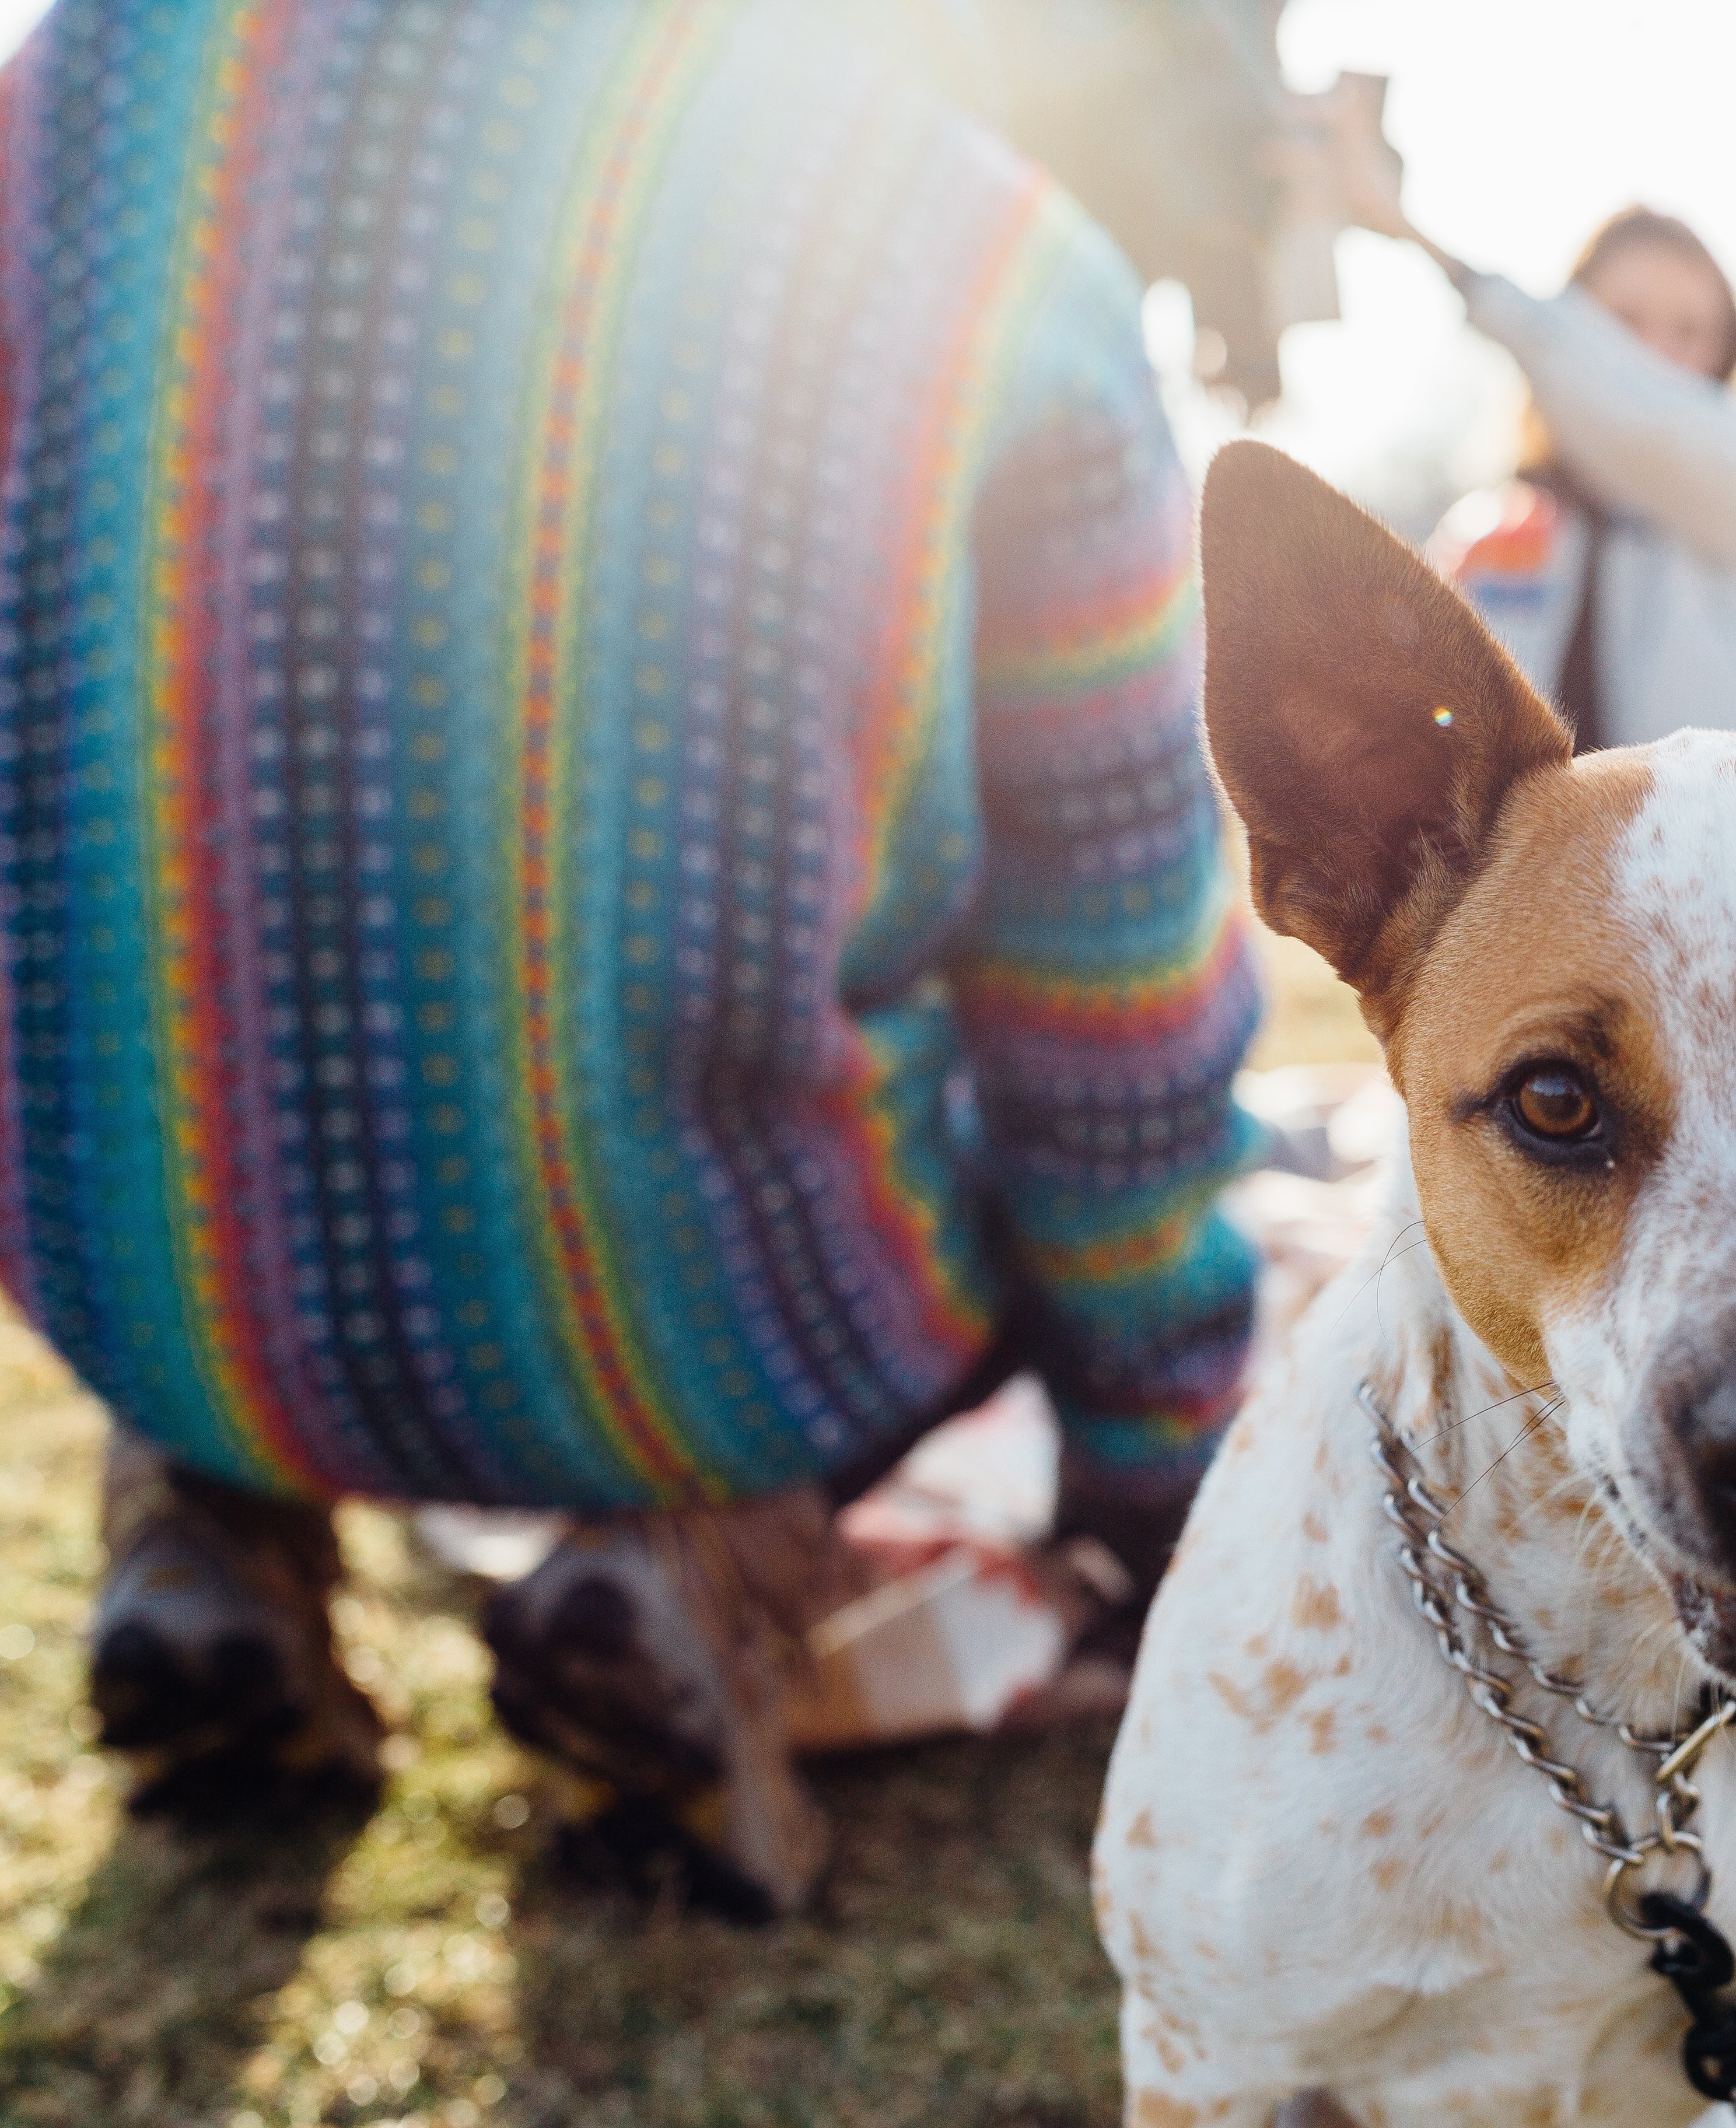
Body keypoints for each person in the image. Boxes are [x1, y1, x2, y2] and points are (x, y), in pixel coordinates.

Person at [1, 0, 1284, 1920]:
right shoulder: (956, 237)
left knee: (222, 978)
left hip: (146, 1268)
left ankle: (205, 1533)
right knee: (936, 1148)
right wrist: (1152, 1436)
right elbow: (1109, 991)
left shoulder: (68, 112)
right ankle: (690, 1557)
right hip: (699, 1318)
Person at [1343, 167, 1736, 747]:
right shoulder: (1492, 528)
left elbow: (1632, 410)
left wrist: (1421, 241)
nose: (1652, 357)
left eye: (1691, 330)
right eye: (1623, 324)